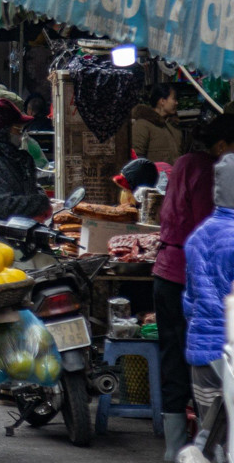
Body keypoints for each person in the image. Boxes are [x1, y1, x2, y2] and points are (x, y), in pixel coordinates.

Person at [154, 114, 234, 460]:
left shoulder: (184, 162)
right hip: (187, 276)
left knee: (174, 359)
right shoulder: (209, 173)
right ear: (221, 146)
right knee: (208, 372)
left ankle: (174, 447)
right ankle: (202, 446)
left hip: (167, 272)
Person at [183, 154, 234, 432]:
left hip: (202, 356)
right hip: (230, 356)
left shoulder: (199, 235)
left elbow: (190, 301)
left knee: (210, 433)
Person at [132, 83, 183, 164]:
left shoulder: (173, 126)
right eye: (174, 99)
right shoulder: (143, 125)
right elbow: (136, 156)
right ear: (162, 101)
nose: (176, 103)